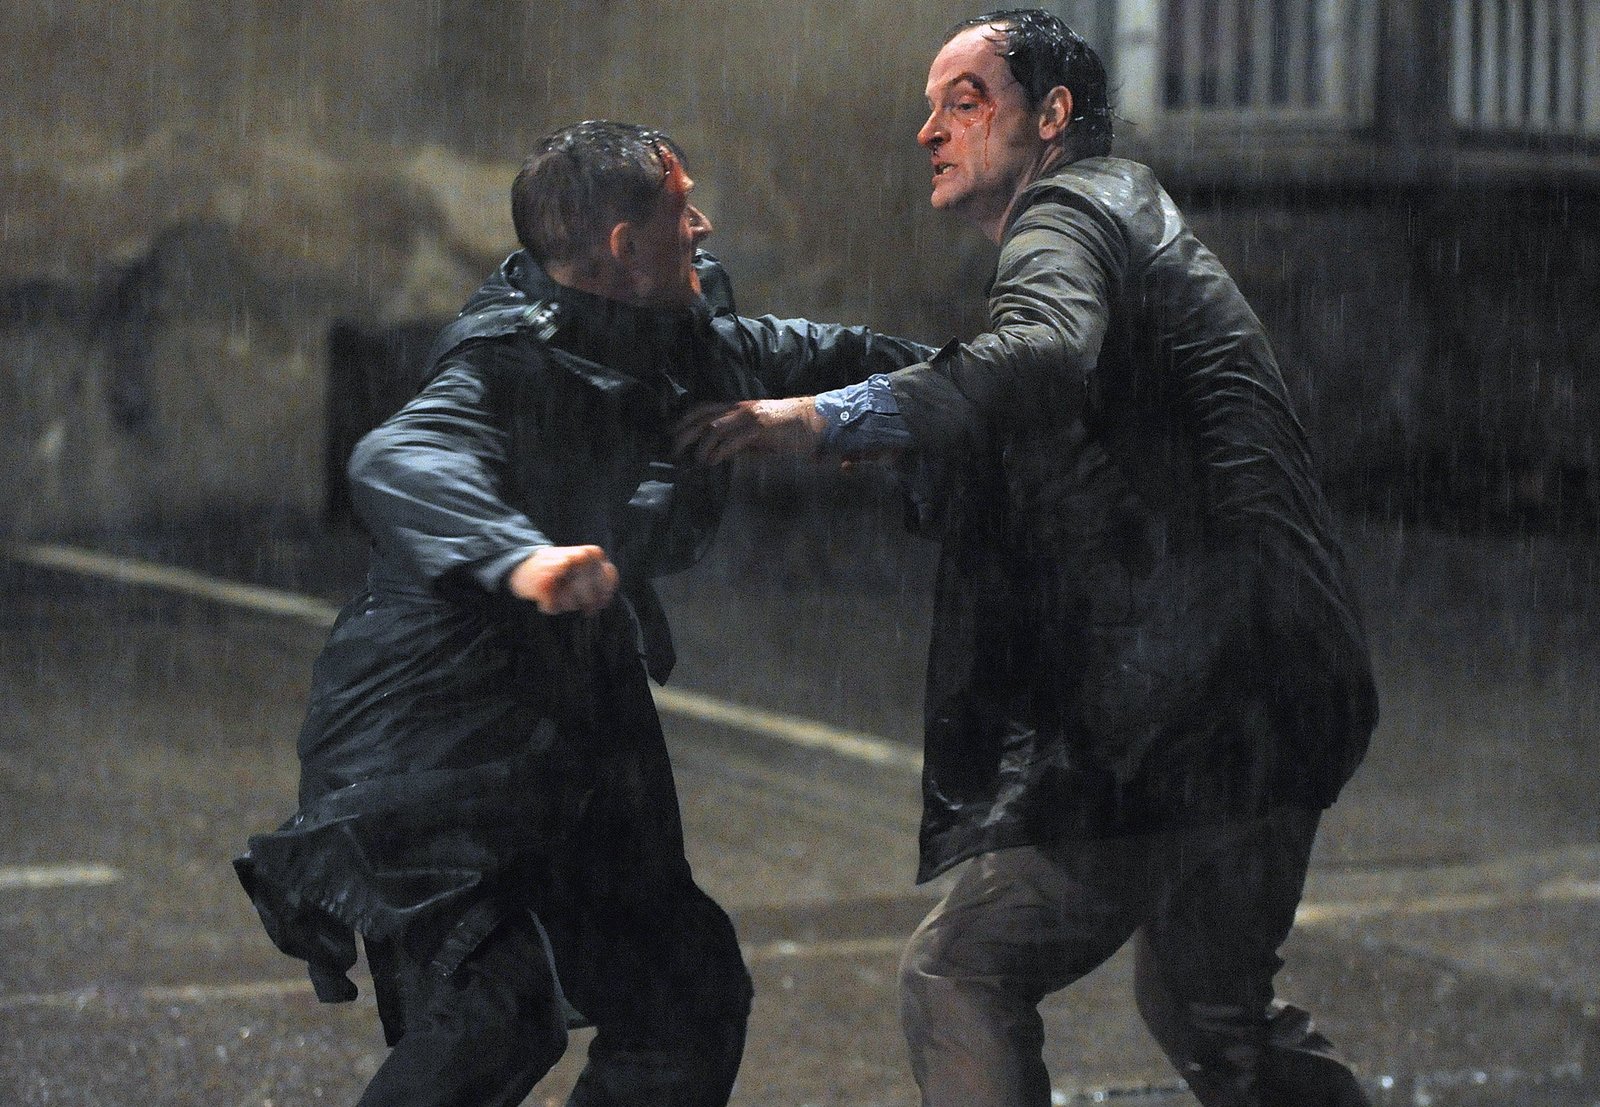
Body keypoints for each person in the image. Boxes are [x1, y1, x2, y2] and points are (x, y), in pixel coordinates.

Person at [676, 11, 1379, 1107]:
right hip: (1283, 683)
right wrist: (854, 403)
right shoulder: (1125, 218)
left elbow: (1037, 356)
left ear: (1052, 116)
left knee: (961, 970)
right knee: (1208, 1005)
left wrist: (821, 418)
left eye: (964, 103)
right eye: (929, 107)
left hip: (1203, 702)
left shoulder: (1069, 209)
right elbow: (994, 386)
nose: (929, 131)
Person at [235, 119, 931, 1107]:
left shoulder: (677, 339)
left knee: (684, 1000)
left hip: (571, 715)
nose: (702, 226)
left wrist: (984, 379)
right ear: (623, 245)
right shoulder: (506, 359)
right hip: (435, 730)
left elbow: (831, 356)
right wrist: (520, 556)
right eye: (682, 209)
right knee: (495, 1009)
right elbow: (399, 457)